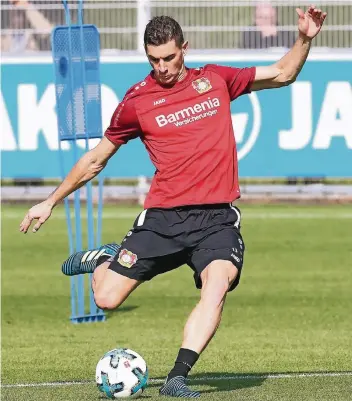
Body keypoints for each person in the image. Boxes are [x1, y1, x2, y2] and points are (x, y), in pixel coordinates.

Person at [20, 6, 327, 398]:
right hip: (164, 218)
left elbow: (282, 73)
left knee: (217, 285)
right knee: (106, 298)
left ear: (185, 48)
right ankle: (104, 259)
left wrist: (304, 38)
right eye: (153, 60)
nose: (162, 67)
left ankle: (178, 377)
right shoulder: (137, 101)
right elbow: (97, 158)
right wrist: (49, 201)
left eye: (169, 57)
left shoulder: (215, 79)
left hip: (216, 219)